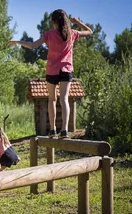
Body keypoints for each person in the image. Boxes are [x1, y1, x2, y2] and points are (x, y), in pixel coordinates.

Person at [7, 9, 93, 138]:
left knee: (51, 100)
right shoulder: (73, 33)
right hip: (66, 69)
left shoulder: (49, 34)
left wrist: (18, 42)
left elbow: (32, 45)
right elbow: (90, 32)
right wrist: (78, 22)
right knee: (64, 99)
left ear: (54, 22)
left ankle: (52, 130)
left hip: (52, 70)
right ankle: (64, 130)